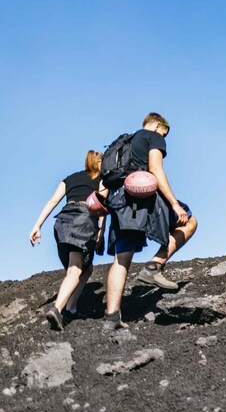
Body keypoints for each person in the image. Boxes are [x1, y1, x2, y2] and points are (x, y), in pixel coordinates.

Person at [103, 113, 198, 330]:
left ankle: (111, 316)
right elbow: (155, 169)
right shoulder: (153, 137)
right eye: (164, 132)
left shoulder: (126, 141)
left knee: (122, 257)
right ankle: (153, 267)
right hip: (144, 199)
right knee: (190, 221)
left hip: (120, 201)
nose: (164, 137)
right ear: (157, 125)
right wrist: (174, 204)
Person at [29, 151, 106, 331]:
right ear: (98, 162)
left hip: (63, 221)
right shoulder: (102, 179)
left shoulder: (69, 179)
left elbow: (53, 200)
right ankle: (58, 309)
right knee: (76, 268)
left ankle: (71, 307)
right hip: (83, 219)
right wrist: (100, 233)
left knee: (86, 269)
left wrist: (37, 225)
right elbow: (101, 206)